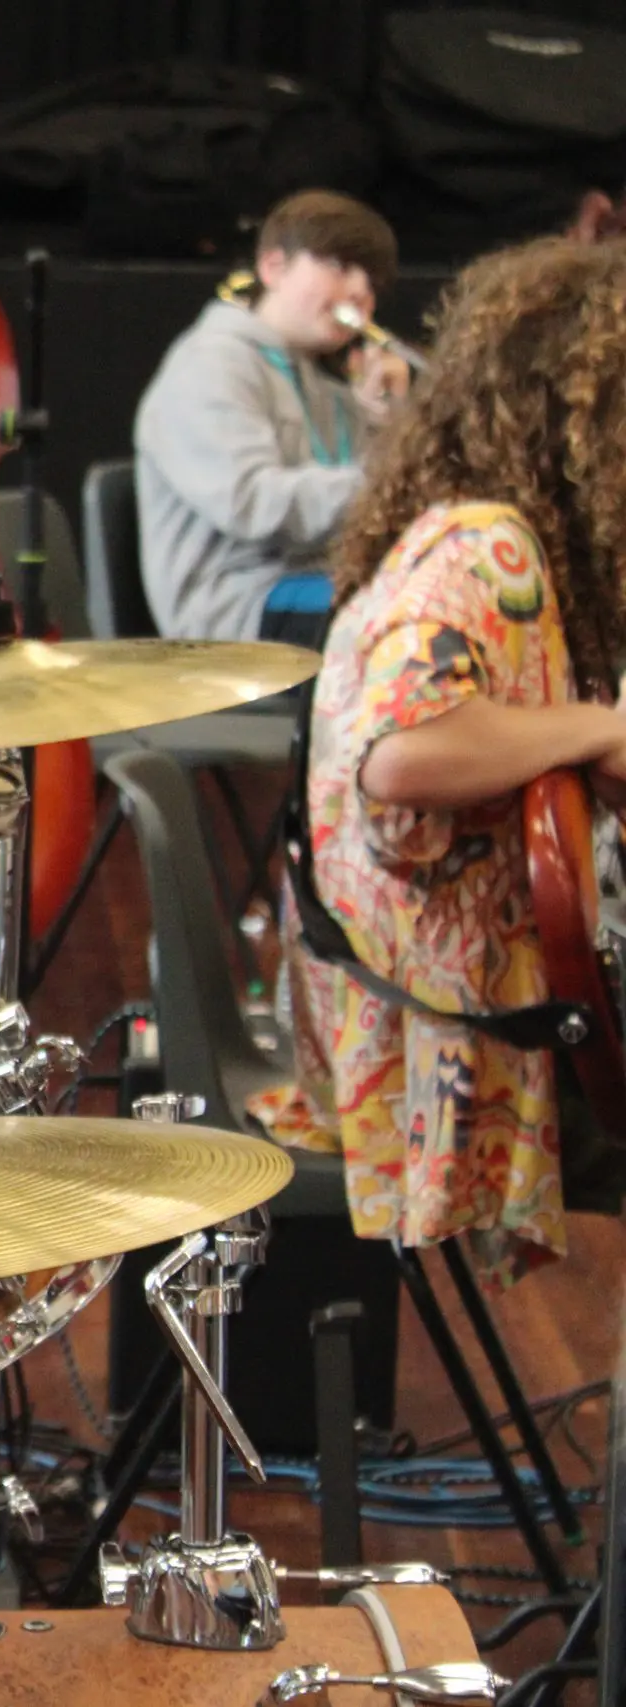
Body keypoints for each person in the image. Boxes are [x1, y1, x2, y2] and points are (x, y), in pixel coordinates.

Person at [252, 237, 626, 1285]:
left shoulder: (471, 529)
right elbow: (403, 754)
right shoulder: (485, 545)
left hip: (413, 1007)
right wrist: (598, 734)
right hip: (429, 1033)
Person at [134, 190, 408, 648]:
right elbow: (252, 504)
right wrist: (387, 480)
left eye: (372, 282)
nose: (361, 292)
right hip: (236, 608)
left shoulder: (326, 383)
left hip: (316, 581)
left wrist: (390, 422)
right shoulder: (210, 365)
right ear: (273, 268)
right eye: (341, 266)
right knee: (412, 613)